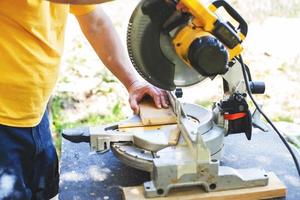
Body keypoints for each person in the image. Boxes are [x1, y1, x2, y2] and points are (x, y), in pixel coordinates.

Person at [0, 1, 168, 199]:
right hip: (3, 123)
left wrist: (133, 82)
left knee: (44, 192)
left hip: (34, 115)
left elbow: (94, 22)